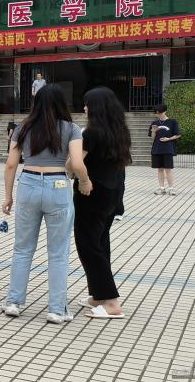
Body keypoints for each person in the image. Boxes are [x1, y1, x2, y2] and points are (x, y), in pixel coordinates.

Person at [2, 84, 91, 325]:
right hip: (58, 185)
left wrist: (7, 196)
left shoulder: (22, 127)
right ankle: (56, 309)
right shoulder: (71, 128)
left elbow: (11, 164)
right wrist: (85, 181)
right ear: (63, 103)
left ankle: (14, 302)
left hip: (28, 183)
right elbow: (77, 163)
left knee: (22, 248)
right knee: (58, 252)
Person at [75, 87, 130, 319]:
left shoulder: (91, 133)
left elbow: (76, 163)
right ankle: (99, 295)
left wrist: (76, 172)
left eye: (87, 103)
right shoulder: (119, 130)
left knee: (88, 246)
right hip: (111, 193)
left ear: (95, 107)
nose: (84, 108)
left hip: (91, 194)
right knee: (100, 243)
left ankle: (111, 302)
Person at [149, 104, 180, 196]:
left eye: (160, 113)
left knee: (168, 169)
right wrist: (154, 131)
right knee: (160, 169)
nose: (158, 115)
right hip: (157, 149)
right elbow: (152, 138)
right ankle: (161, 188)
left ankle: (171, 189)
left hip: (168, 149)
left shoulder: (172, 122)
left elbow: (178, 135)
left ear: (165, 111)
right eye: (157, 113)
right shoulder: (154, 123)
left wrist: (168, 139)